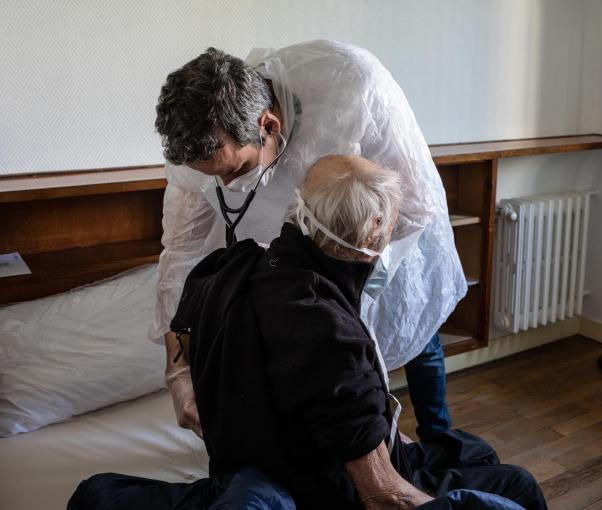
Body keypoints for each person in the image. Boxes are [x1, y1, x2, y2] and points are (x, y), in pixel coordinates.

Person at [69, 155, 546, 510]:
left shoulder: (225, 268)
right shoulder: (334, 342)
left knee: (470, 451)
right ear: (374, 230)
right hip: (320, 487)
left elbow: (181, 331)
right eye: (393, 223)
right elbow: (381, 494)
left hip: (243, 461)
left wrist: (182, 380)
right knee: (515, 484)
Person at [152, 41, 465, 442]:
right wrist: (178, 370)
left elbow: (415, 206)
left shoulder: (353, 88)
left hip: (378, 234)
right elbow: (179, 254)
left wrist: (357, 289)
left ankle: (439, 441)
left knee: (414, 324)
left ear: (268, 126)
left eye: (237, 170)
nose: (225, 187)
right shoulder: (198, 139)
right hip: (288, 249)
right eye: (211, 176)